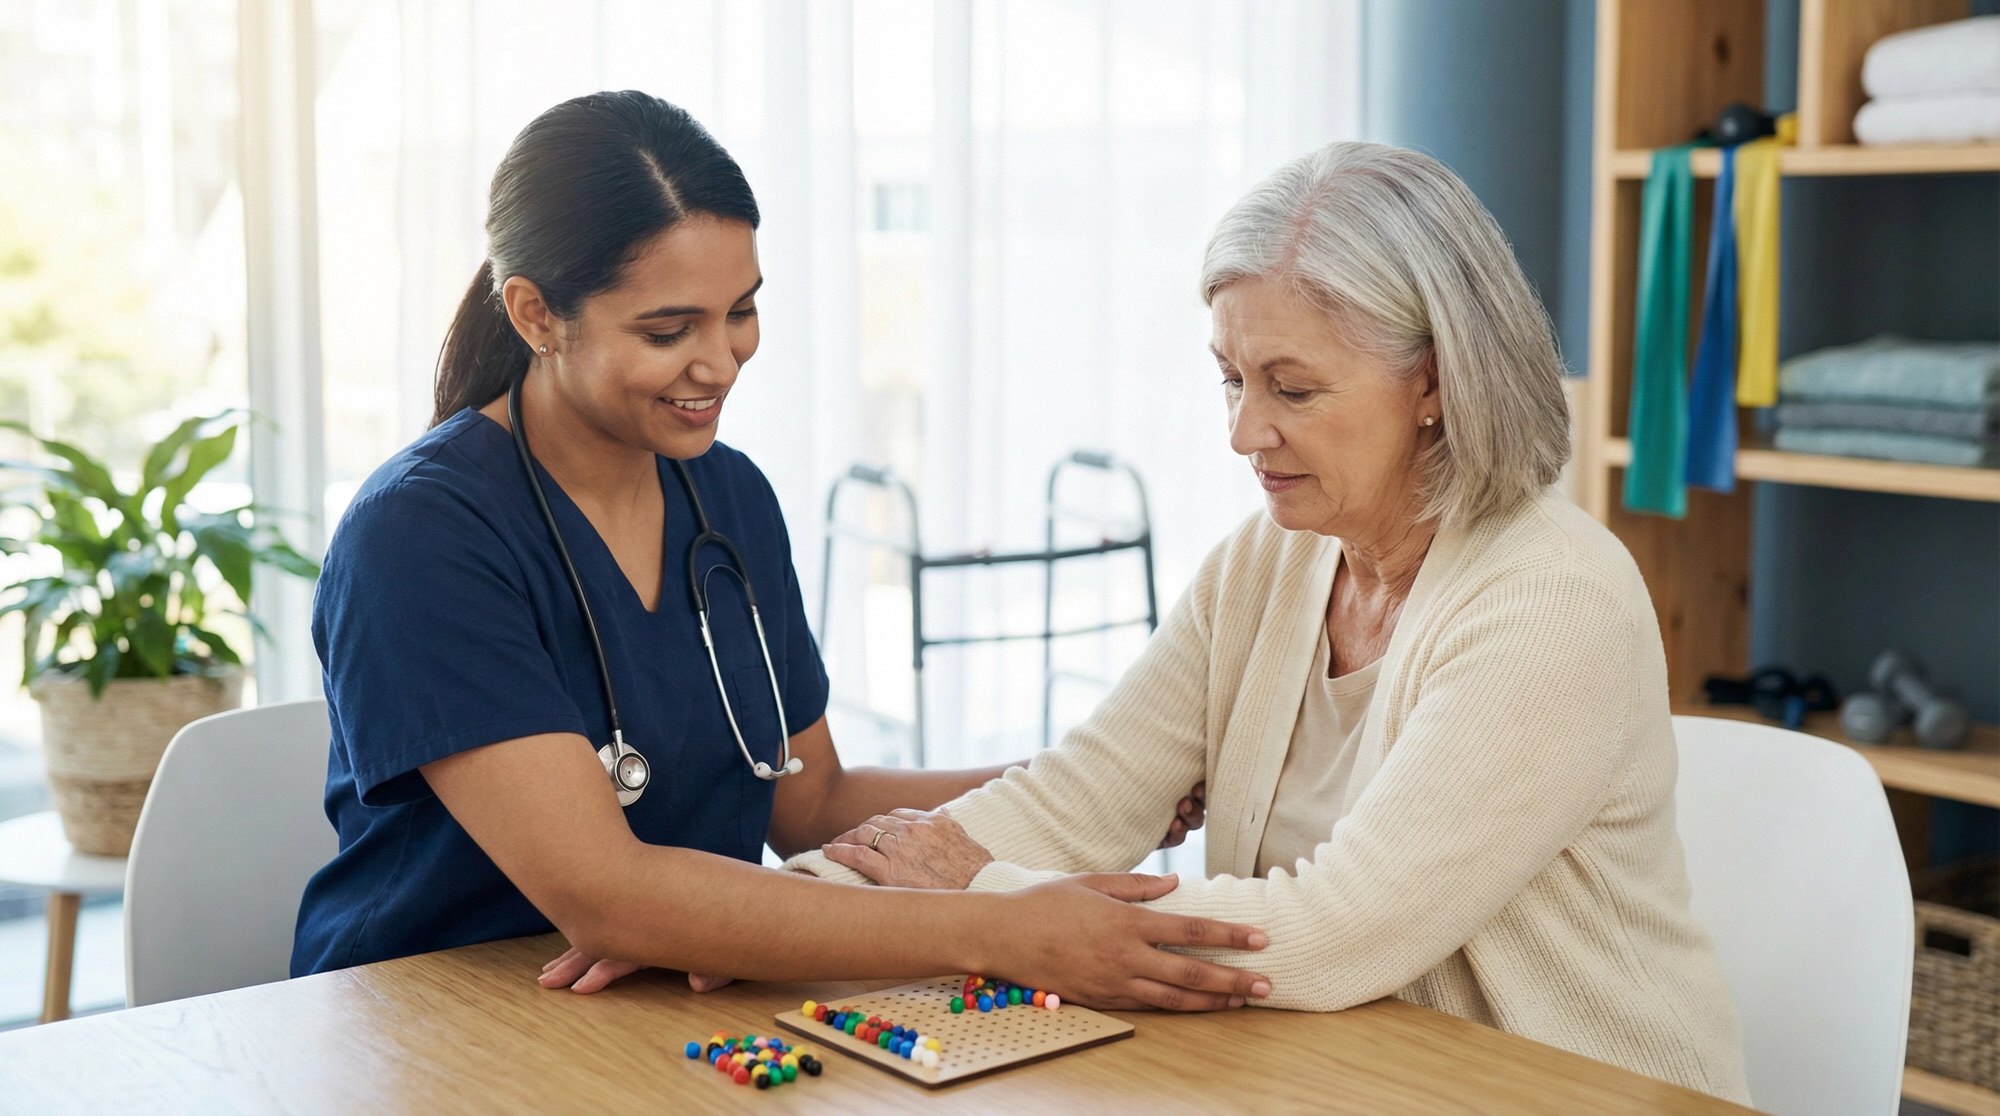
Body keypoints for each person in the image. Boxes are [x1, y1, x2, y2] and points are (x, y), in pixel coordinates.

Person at [786, 142, 1754, 1103]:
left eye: (1292, 389)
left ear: (1433, 382)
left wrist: (985, 901)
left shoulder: (1552, 603)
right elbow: (1078, 800)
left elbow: (1331, 934)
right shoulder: (1269, 560)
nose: (1243, 432)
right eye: (1231, 379)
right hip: (1353, 1083)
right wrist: (780, 916)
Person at [290, 90, 1255, 1012]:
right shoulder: (420, 536)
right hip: (433, 1017)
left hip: (659, 1008)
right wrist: (999, 929)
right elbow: (608, 898)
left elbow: (813, 802)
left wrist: (1098, 784)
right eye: (669, 330)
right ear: (536, 314)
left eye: (740, 312)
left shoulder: (727, 497)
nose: (720, 362)